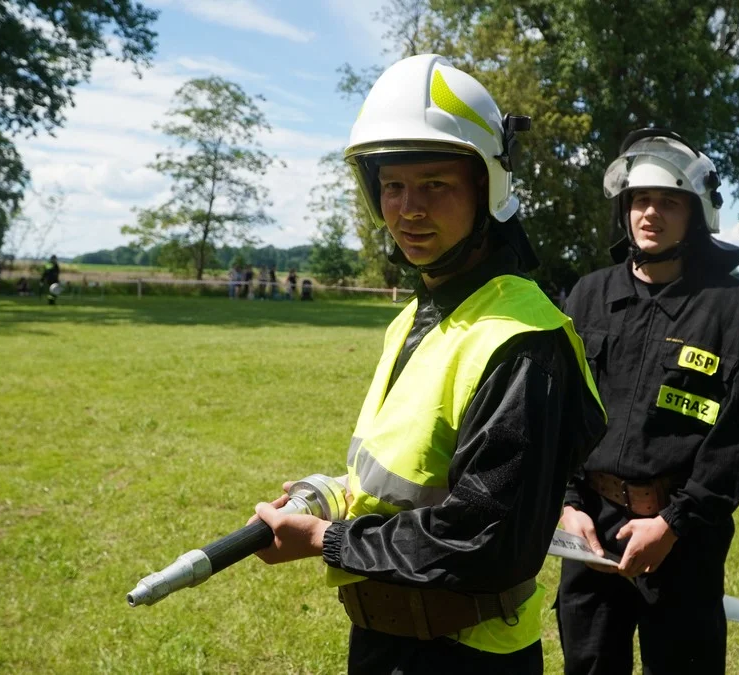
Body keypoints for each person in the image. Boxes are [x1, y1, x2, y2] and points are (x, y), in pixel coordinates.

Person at [249, 54, 607, 674]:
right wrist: (333, 496)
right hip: (387, 642)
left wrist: (326, 541)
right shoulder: (421, 315)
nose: (408, 209)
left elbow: (488, 540)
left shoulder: (522, 337)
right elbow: (408, 476)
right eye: (393, 185)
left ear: (486, 189)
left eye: (434, 184)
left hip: (465, 655)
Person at [556, 128, 739, 674]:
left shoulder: (730, 307)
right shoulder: (587, 295)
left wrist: (675, 522)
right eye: (640, 200)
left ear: (695, 214)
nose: (650, 213)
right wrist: (568, 505)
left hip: (683, 542)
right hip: (591, 535)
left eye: (669, 202)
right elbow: (558, 410)